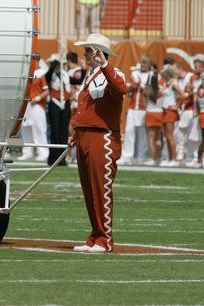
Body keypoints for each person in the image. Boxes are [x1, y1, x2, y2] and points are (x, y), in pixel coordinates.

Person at [68, 34, 126, 253]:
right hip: (85, 135)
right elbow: (84, 105)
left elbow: (121, 90)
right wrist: (75, 129)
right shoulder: (90, 75)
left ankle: (104, 239)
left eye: (88, 51)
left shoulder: (113, 72)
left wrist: (105, 66)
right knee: (89, 189)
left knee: (100, 188)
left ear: (99, 52)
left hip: (102, 136)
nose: (84, 55)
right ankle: (95, 234)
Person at [119, 56, 150, 165]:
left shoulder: (151, 76)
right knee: (129, 131)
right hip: (133, 107)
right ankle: (128, 155)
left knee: (142, 133)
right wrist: (133, 84)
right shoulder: (135, 74)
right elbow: (129, 91)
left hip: (144, 108)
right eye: (141, 63)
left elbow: (148, 91)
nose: (142, 65)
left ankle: (142, 156)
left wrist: (140, 83)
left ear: (149, 65)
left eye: (145, 63)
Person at [19, 60, 48, 161]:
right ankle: (27, 152)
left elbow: (47, 91)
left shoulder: (42, 73)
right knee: (25, 128)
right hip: (25, 105)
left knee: (39, 128)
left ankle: (43, 153)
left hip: (37, 105)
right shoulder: (24, 72)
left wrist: (38, 99)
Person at [45, 54, 70, 165]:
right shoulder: (50, 74)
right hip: (54, 102)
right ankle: (53, 158)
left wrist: (83, 70)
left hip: (65, 103)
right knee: (54, 131)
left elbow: (78, 81)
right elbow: (48, 75)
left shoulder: (66, 74)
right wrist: (56, 62)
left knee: (64, 131)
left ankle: (62, 158)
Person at [159, 67, 182, 166]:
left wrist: (177, 106)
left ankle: (174, 159)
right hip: (164, 110)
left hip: (170, 111)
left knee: (170, 136)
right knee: (167, 136)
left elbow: (182, 95)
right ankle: (170, 158)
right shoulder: (167, 83)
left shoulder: (174, 83)